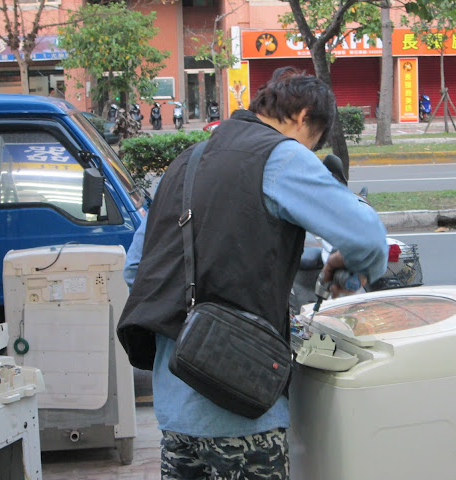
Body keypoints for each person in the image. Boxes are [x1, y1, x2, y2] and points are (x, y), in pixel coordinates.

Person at [118, 67, 388, 480]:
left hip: (176, 404)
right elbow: (367, 237)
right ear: (301, 116)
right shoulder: (280, 156)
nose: (308, 152)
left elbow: (137, 269)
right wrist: (357, 270)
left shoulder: (185, 162)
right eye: (313, 142)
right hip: (241, 407)